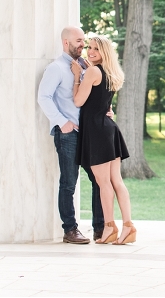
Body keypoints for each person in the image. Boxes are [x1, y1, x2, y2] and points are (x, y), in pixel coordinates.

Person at [37, 26, 104, 244]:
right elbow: (44, 97)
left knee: (98, 179)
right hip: (68, 135)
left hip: (88, 133)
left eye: (83, 40)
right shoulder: (56, 68)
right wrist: (61, 122)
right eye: (78, 40)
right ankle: (70, 229)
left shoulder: (85, 66)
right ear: (66, 42)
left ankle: (100, 228)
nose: (82, 44)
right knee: (68, 183)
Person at [71, 35, 135, 245]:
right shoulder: (112, 73)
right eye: (89, 48)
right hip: (109, 129)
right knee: (116, 181)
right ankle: (128, 226)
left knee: (104, 183)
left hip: (97, 131)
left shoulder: (92, 71)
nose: (90, 52)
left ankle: (109, 227)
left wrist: (76, 77)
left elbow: (79, 101)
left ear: (104, 52)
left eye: (95, 49)